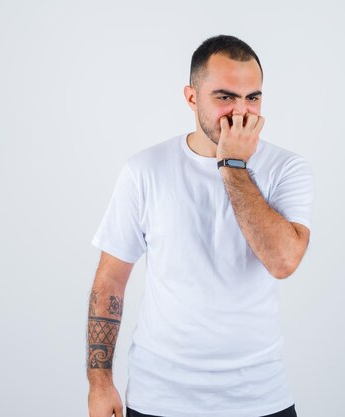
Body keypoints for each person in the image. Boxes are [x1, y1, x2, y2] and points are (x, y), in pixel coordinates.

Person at [87, 34, 314, 417]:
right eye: (225, 97)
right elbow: (110, 281)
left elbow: (282, 262)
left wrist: (233, 164)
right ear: (192, 97)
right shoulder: (144, 170)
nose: (241, 112)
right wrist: (99, 384)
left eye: (253, 97)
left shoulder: (287, 168)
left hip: (259, 397)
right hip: (160, 397)